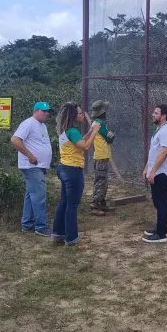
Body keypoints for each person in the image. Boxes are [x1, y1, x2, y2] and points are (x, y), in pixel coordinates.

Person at [51, 102, 100, 246]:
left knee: (64, 202)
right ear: (73, 115)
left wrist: (89, 132)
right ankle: (72, 239)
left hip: (64, 168)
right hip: (73, 170)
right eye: (79, 113)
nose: (82, 114)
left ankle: (58, 233)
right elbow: (85, 146)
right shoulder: (72, 131)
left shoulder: (66, 130)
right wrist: (95, 131)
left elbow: (78, 142)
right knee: (72, 205)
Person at [11, 102, 53, 236]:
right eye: (44, 111)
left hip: (38, 166)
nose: (47, 113)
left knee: (31, 196)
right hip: (32, 166)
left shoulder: (42, 126)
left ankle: (27, 224)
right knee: (39, 197)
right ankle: (41, 227)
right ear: (35, 111)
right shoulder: (29, 123)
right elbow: (15, 140)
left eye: (48, 111)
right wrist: (30, 156)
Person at [142, 104, 167, 244]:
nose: (153, 114)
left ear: (163, 116)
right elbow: (154, 152)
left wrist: (153, 171)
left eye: (156, 113)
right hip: (156, 171)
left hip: (162, 172)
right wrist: (147, 168)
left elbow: (163, 153)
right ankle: (159, 228)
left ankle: (161, 234)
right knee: (157, 201)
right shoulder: (160, 130)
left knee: (162, 202)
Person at [89, 100, 116, 215]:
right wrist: (112, 136)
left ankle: (101, 202)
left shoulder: (96, 123)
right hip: (101, 156)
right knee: (101, 181)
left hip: (100, 155)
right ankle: (96, 204)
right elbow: (109, 138)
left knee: (102, 180)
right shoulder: (100, 124)